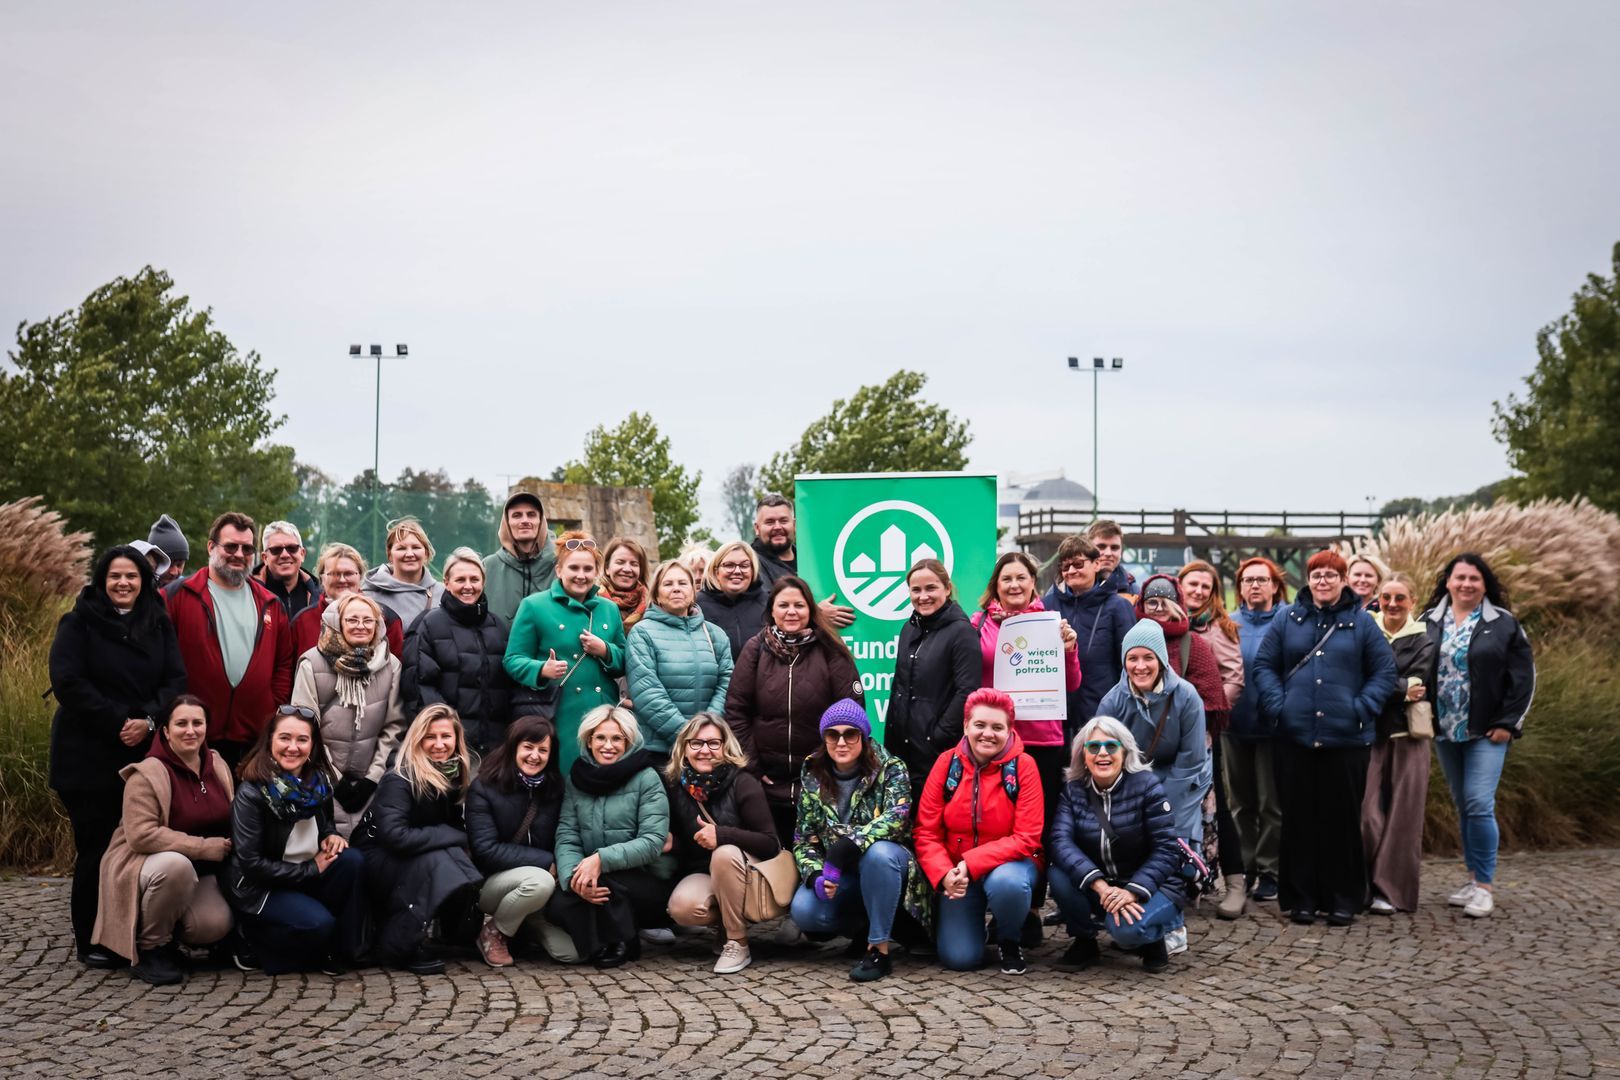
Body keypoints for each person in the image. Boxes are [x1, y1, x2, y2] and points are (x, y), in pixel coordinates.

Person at [49, 544, 186, 969]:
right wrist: (118, 720)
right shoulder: (78, 623)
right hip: (87, 754)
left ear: (144, 581)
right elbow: (67, 681)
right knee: (96, 847)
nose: (123, 583)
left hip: (142, 752)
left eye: (132, 576)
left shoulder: (157, 622)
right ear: (102, 581)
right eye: (115, 576)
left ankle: (137, 933)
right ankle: (92, 938)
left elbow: (174, 679)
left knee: (135, 844)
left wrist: (148, 720)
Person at [1252, 550, 1398, 928]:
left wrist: (1361, 708)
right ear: (1308, 579)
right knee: (1299, 818)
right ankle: (1301, 898)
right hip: (1294, 736)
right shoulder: (1287, 618)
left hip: (1346, 739)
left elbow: (1384, 672)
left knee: (1341, 820)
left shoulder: (1361, 623)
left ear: (1343, 580)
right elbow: (1264, 666)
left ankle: (1342, 899)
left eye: (1331, 575)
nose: (1323, 581)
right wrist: (1279, 706)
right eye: (1316, 574)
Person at [1421, 553, 1534, 919]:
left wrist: (1508, 723)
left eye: (1474, 578)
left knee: (1479, 803)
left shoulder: (1503, 624)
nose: (1466, 584)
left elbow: (1523, 678)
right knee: (1463, 804)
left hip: (1487, 730)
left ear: (1485, 585)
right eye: (1460, 578)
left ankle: (1484, 886)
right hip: (1444, 728)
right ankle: (1471, 878)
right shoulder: (1428, 621)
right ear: (1448, 582)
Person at [93, 696, 233, 985]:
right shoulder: (146, 774)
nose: (190, 730)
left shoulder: (217, 764)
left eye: (197, 723)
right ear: (166, 731)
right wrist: (204, 847)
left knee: (212, 925)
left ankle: (173, 942)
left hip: (200, 869)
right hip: (143, 862)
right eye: (181, 724)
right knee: (176, 865)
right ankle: (151, 947)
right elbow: (142, 835)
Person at [789, 699, 931, 983]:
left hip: (891, 865)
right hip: (844, 875)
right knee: (805, 910)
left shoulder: (891, 768)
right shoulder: (812, 771)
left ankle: (878, 950)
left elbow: (897, 819)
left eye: (850, 734)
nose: (841, 742)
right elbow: (804, 838)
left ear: (863, 737)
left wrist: (847, 845)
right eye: (833, 734)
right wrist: (815, 874)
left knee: (878, 854)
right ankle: (864, 927)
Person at [226, 705, 366, 975]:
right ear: (270, 741)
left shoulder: (318, 783)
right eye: (285, 738)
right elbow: (252, 864)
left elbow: (324, 824)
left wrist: (331, 836)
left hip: (303, 876)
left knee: (352, 860)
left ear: (312, 745)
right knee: (318, 925)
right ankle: (251, 941)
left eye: (302, 739)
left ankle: (341, 948)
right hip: (262, 887)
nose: (293, 747)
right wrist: (311, 869)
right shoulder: (251, 792)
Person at [725, 575, 865, 845]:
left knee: (817, 853)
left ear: (810, 610)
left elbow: (851, 711)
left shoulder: (831, 648)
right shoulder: (755, 649)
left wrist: (829, 764)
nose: (791, 612)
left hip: (820, 778)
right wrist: (753, 765)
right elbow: (736, 711)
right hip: (766, 780)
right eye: (783, 605)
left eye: (799, 605)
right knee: (774, 853)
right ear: (772, 610)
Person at [914, 689, 1043, 974]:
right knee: (960, 958)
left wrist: (970, 863)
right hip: (958, 874)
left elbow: (1027, 838)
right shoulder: (946, 764)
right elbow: (926, 832)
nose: (988, 734)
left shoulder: (1024, 766)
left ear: (1009, 730)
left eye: (997, 727)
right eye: (980, 725)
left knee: (1008, 885)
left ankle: (1009, 939)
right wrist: (943, 874)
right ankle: (975, 931)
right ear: (965, 726)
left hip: (1011, 866)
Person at [1048, 716, 1187, 974]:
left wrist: (1133, 891)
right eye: (1093, 747)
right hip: (1102, 884)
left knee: (1125, 932)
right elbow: (1060, 841)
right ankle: (1084, 940)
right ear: (1083, 755)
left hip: (1152, 885)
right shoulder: (1073, 790)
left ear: (1124, 751)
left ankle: (1155, 936)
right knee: (1057, 874)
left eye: (1111, 746)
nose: (1102, 753)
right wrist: (1100, 886)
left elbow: (1167, 850)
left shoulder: (1148, 786)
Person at [355, 703, 483, 974]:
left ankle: (454, 933)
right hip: (377, 855)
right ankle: (399, 946)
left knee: (456, 859)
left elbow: (451, 824)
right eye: (430, 737)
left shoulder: (451, 773)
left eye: (446, 736)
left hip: (414, 848)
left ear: (456, 739)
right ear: (418, 739)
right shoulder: (399, 777)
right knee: (438, 861)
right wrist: (453, 835)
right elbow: (396, 836)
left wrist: (456, 838)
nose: (439, 744)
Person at [546, 706, 676, 968]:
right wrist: (573, 877)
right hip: (594, 871)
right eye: (600, 738)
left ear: (628, 742)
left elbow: (652, 841)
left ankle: (621, 940)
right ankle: (600, 942)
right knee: (559, 901)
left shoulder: (646, 777)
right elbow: (568, 834)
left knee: (607, 882)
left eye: (617, 738)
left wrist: (600, 860)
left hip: (647, 877)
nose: (608, 745)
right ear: (589, 740)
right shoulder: (576, 778)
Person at [166, 511, 295, 768]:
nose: (239, 554)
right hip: (193, 736)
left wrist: (272, 706)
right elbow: (160, 659)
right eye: (231, 546)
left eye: (247, 549)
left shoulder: (271, 604)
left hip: (253, 741)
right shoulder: (177, 596)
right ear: (211, 547)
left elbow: (283, 663)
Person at [970, 551, 1080, 835]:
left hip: (1042, 738)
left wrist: (1069, 650)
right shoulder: (978, 624)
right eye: (1006, 579)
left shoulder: (1052, 624)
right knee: (995, 820)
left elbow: (1071, 684)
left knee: (1040, 821)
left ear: (1033, 581)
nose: (1014, 585)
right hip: (994, 738)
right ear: (996, 585)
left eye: (1021, 577)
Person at [664, 713, 782, 975]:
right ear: (684, 748)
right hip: (705, 871)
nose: (705, 750)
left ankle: (737, 942)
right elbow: (689, 846)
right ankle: (726, 926)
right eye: (696, 743)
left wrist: (723, 835)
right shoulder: (676, 786)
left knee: (725, 854)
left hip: (748, 871)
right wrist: (675, 844)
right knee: (682, 907)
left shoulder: (743, 781)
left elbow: (770, 843)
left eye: (713, 743)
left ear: (725, 746)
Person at [504, 532, 628, 771]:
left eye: (588, 569)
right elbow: (512, 660)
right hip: (560, 714)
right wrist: (541, 669)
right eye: (574, 568)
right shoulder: (534, 605)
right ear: (559, 570)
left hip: (603, 715)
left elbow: (623, 661)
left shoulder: (609, 608)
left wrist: (605, 650)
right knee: (565, 776)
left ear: (596, 572)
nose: (581, 575)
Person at [291, 592, 406, 837]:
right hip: (322, 778)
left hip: (371, 782)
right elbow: (304, 728)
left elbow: (394, 726)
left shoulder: (391, 665)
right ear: (338, 622)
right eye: (352, 620)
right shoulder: (312, 663)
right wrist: (335, 780)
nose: (360, 626)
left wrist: (373, 778)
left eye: (368, 620)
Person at [466, 715, 577, 967]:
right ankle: (494, 933)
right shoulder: (484, 787)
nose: (534, 756)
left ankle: (519, 926)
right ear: (513, 747)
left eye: (543, 750)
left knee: (571, 953)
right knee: (539, 882)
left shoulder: (555, 788)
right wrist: (546, 861)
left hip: (541, 889)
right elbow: (485, 849)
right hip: (492, 884)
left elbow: (566, 834)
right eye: (528, 747)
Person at [1094, 621, 1210, 848]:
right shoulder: (1112, 702)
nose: (1140, 666)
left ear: (1161, 660)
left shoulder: (1187, 697)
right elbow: (1102, 755)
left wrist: (1161, 805)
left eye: (1148, 657)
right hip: (1131, 785)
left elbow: (1192, 759)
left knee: (1175, 847)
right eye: (1132, 658)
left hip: (1182, 782)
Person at [1362, 573, 1438, 914]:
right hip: (1368, 734)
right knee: (1365, 813)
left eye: (1400, 598)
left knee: (1404, 817)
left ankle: (1391, 892)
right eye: (1386, 597)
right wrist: (1399, 688)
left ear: (1413, 601)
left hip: (1410, 735)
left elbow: (1420, 681)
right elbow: (1360, 679)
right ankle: (1365, 883)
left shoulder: (1425, 638)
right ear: (1378, 599)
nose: (1392, 604)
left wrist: (1378, 685)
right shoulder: (1367, 630)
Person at [1177, 560, 1247, 918]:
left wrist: (1205, 713)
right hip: (1166, 731)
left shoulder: (1220, 628)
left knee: (1215, 802)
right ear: (1180, 585)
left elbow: (1234, 679)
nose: (1199, 591)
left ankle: (1235, 882)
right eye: (1193, 584)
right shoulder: (1166, 623)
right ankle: (1181, 879)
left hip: (1204, 730)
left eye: (1206, 586)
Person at [883, 558, 982, 798]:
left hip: (936, 753)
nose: (923, 596)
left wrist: (937, 736)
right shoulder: (909, 629)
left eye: (931, 588)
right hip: (903, 751)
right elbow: (900, 685)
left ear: (947, 589)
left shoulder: (962, 632)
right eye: (916, 590)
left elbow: (967, 691)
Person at [402, 547, 514, 756]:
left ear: (483, 582)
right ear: (446, 582)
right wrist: (445, 737)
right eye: (460, 579)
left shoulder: (498, 627)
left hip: (494, 750)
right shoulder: (429, 624)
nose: (468, 586)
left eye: (474, 579)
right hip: (448, 749)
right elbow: (419, 689)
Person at [1225, 557, 1289, 904]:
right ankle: (1244, 867)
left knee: (1271, 804)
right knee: (1240, 804)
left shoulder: (1288, 620)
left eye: (1261, 580)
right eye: (1248, 580)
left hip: (1273, 728)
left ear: (1275, 586)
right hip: (1234, 726)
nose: (1254, 585)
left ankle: (1270, 871)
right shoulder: (1229, 622)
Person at [626, 560, 734, 754]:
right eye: (668, 584)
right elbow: (647, 693)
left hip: (707, 749)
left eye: (683, 583)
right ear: (656, 595)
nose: (676, 588)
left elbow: (727, 683)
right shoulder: (642, 633)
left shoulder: (715, 634)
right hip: (658, 749)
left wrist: (707, 733)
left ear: (693, 591)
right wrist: (688, 738)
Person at [1040, 535, 1138, 738]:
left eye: (1078, 564)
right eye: (1065, 566)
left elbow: (1127, 665)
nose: (1071, 571)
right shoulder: (1047, 605)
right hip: (1056, 719)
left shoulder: (1118, 606)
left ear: (1096, 564)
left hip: (1102, 716)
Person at [749, 494, 855, 626]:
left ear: (794, 525)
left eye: (783, 521)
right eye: (770, 522)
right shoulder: (750, 564)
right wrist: (817, 614)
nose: (777, 527)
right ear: (757, 528)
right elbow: (764, 610)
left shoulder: (813, 560)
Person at [292, 542, 405, 659]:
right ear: (322, 578)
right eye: (334, 574)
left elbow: (394, 666)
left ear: (360, 576)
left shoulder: (385, 618)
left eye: (349, 573)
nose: (342, 580)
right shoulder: (302, 621)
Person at [483, 488, 557, 624]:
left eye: (531, 515)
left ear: (541, 521)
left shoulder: (561, 565)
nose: (525, 520)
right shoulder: (488, 567)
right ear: (507, 522)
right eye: (517, 515)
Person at [363, 518, 445, 632]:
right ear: (390, 555)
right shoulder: (369, 594)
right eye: (401, 548)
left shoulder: (444, 593)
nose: (409, 554)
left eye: (416, 547)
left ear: (426, 553)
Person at [696, 540, 769, 659]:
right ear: (716, 571)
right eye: (729, 565)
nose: (737, 571)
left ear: (752, 570)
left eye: (744, 565)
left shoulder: (768, 603)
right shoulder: (698, 606)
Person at [253, 520, 321, 620]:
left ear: (302, 554)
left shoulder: (320, 596)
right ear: (265, 558)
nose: (285, 555)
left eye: (292, 548)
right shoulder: (250, 594)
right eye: (276, 550)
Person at [598, 537, 651, 632]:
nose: (627, 569)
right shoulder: (591, 601)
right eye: (620, 562)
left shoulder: (652, 607)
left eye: (634, 564)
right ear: (607, 568)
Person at [1087, 519, 1136, 599]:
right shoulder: (1071, 586)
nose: (1108, 553)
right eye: (1101, 547)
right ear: (1088, 548)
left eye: (1114, 547)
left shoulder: (1134, 593)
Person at [147, 514, 189, 589]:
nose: (174, 572)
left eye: (179, 565)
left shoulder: (188, 590)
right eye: (169, 565)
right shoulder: (136, 590)